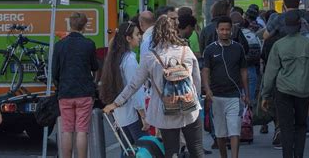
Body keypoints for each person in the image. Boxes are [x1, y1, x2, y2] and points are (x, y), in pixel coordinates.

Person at [104, 15, 203, 158]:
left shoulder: (150, 57)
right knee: (196, 148)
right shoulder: (186, 51)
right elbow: (196, 80)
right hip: (189, 108)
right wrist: (195, 98)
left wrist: (115, 103)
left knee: (171, 150)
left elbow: (133, 85)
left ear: (156, 33)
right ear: (175, 31)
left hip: (165, 111)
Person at [261, 11, 309, 158]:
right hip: (303, 90)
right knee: (301, 125)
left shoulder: (278, 45)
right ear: (300, 26)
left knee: (286, 126)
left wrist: (265, 94)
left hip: (283, 90)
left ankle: (287, 155)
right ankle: (298, 155)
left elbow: (270, 73)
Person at [52, 12, 99, 158]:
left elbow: (54, 72)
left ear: (69, 25)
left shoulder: (59, 46)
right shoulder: (89, 44)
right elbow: (95, 68)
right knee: (81, 131)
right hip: (84, 92)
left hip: (65, 92)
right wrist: (94, 84)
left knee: (67, 130)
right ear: (85, 26)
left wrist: (59, 87)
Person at [99, 22, 149, 157]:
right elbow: (135, 89)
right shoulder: (130, 59)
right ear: (128, 38)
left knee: (127, 151)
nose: (140, 37)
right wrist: (143, 115)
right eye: (137, 34)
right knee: (143, 151)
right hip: (133, 114)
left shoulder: (115, 58)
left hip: (120, 115)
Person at [202, 16, 249, 158]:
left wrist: (246, 93)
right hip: (216, 96)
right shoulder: (210, 50)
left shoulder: (238, 48)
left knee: (234, 130)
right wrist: (207, 89)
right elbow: (205, 71)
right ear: (217, 30)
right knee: (220, 134)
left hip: (234, 96)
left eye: (227, 29)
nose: (224, 32)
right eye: (221, 29)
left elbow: (243, 71)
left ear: (232, 30)